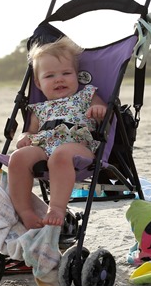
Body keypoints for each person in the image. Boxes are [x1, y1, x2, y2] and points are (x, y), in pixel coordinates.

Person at [8, 36, 107, 229]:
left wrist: (99, 110)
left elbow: (104, 111)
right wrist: (24, 137)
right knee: (18, 157)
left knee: (61, 155)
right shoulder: (38, 108)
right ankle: (26, 212)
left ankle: (56, 208)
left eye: (66, 73)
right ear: (38, 83)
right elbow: (29, 132)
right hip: (44, 147)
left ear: (77, 75)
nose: (59, 79)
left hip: (78, 146)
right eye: (50, 76)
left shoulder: (86, 95)